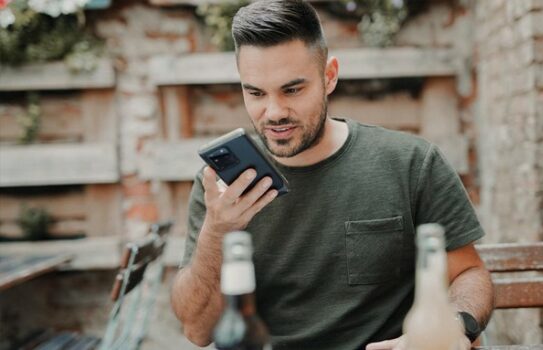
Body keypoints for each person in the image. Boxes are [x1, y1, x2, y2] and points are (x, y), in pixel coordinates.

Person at [171, 1, 494, 349]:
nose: (275, 112)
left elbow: (469, 273)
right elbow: (197, 330)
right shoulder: (222, 190)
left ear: (329, 76)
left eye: (292, 89)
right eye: (256, 93)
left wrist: (456, 328)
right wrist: (216, 233)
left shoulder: (412, 163)